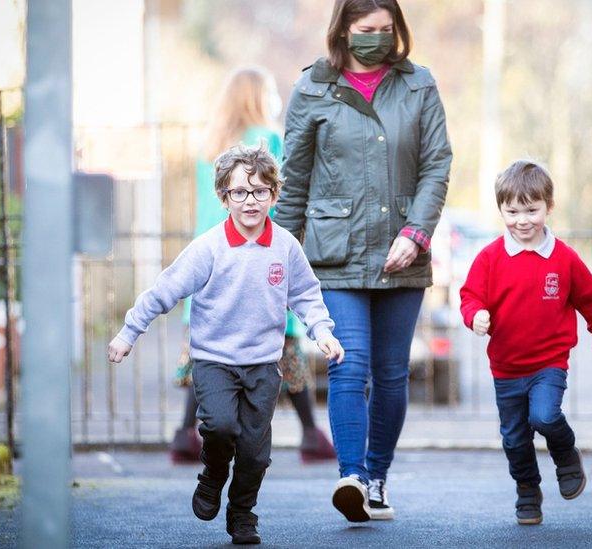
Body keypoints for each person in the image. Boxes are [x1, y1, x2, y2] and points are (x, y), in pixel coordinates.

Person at [108, 146, 345, 545]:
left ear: (274, 194)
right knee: (219, 426)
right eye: (239, 192)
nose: (249, 201)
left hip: (263, 364)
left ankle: (242, 512)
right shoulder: (208, 248)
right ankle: (213, 473)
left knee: (255, 450)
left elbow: (306, 295)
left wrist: (322, 332)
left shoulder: (285, 247)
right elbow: (165, 290)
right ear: (224, 197)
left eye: (259, 191)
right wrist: (129, 331)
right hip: (214, 360)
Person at [275, 0, 452, 523]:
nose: (378, 38)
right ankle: (350, 476)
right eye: (366, 30)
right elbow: (295, 179)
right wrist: (277, 257)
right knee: (348, 364)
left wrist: (417, 234)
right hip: (335, 253)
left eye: (386, 29)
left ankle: (377, 477)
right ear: (344, 30)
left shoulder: (419, 84)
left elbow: (437, 164)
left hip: (403, 253)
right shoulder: (313, 88)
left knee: (393, 374)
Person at [169, 67, 337, 465]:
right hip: (256, 260)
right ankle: (312, 435)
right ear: (257, 98)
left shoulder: (208, 149)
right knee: (284, 347)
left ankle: (183, 433)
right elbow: (277, 203)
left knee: (208, 353)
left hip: (211, 261)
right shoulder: (267, 142)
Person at [459, 160, 592, 525]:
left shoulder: (564, 258)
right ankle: (528, 491)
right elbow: (469, 296)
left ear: (549, 207)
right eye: (512, 211)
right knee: (514, 440)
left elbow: (591, 299)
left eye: (532, 210)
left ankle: (566, 454)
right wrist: (475, 315)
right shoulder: (490, 257)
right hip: (506, 367)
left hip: (549, 362)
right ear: (501, 210)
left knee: (544, 416)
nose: (522, 220)